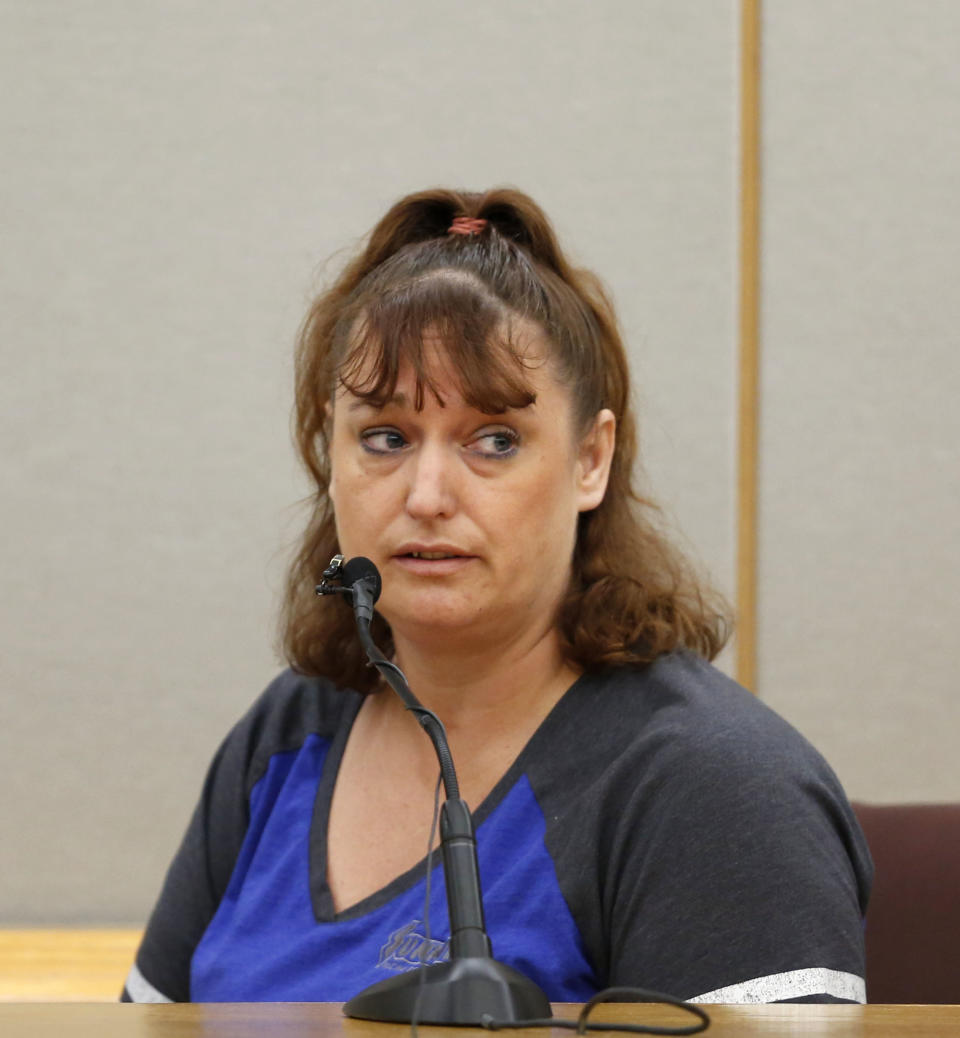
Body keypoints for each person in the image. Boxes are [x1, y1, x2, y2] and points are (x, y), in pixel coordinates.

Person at [123, 188, 872, 1006]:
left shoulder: (714, 788)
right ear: (326, 455)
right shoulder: (289, 732)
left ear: (591, 460)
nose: (429, 493)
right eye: (385, 438)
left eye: (494, 440)